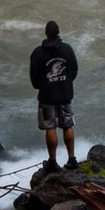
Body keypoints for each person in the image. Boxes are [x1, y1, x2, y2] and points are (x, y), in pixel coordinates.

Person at [29, 19, 78, 170]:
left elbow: (34, 79)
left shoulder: (38, 53)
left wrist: (44, 85)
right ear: (58, 33)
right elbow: (74, 71)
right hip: (65, 94)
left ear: (46, 33)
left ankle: (53, 162)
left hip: (47, 97)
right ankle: (72, 159)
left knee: (51, 128)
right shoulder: (67, 49)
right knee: (67, 125)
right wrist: (65, 83)